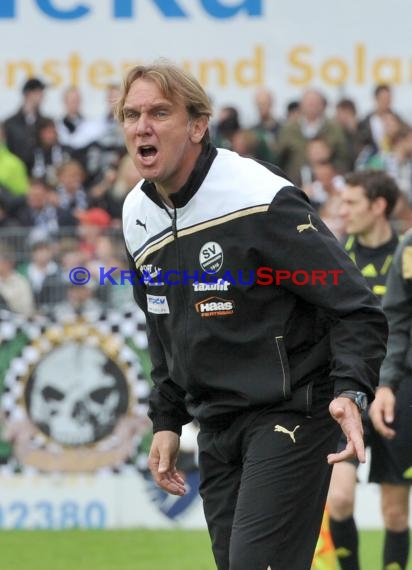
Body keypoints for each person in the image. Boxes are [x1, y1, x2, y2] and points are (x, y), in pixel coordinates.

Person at [117, 61, 388, 570]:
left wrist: (352, 390)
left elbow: (355, 305)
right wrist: (167, 419)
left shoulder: (258, 195)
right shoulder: (135, 215)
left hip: (293, 411)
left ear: (198, 125)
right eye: (131, 115)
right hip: (215, 426)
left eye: (158, 112)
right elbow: (162, 325)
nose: (141, 127)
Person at [326, 170, 400, 570]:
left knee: (394, 513)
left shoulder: (404, 258)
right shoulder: (335, 256)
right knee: (338, 498)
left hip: (397, 395)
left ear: (378, 206)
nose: (342, 210)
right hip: (350, 393)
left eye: (351, 202)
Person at [368, 231, 412, 570]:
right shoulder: (410, 246)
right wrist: (385, 386)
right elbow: (396, 319)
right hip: (406, 390)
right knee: (395, 508)